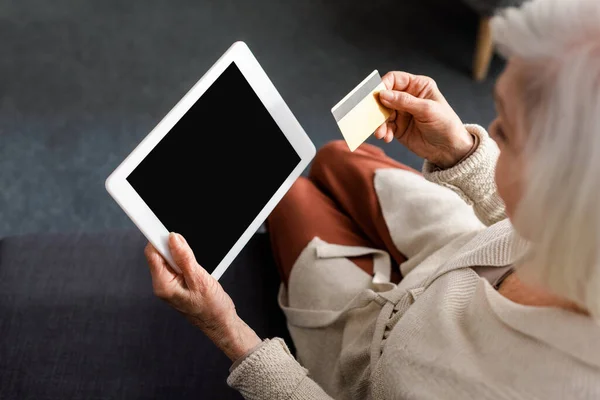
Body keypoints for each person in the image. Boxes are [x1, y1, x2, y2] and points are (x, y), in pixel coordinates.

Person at [144, 0, 600, 398]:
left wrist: (227, 331)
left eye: (504, 132)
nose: (490, 135)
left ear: (558, 192)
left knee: (289, 193)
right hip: (455, 249)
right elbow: (522, 220)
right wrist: (457, 149)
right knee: (333, 156)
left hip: (375, 361)